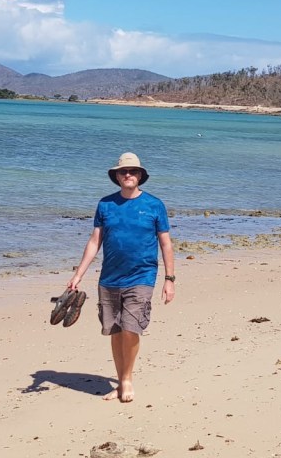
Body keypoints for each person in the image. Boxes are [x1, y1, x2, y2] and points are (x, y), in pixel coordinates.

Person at [68, 152, 176, 403]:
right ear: (116, 176)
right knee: (115, 331)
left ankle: (127, 380)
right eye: (123, 171)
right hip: (109, 278)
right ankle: (120, 381)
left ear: (140, 176)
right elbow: (95, 242)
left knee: (130, 328)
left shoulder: (154, 205)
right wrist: (78, 275)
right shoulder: (105, 205)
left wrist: (169, 279)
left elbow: (166, 244)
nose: (128, 174)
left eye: (133, 171)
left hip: (142, 277)